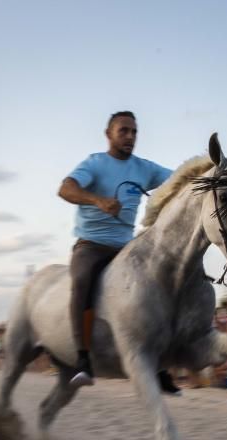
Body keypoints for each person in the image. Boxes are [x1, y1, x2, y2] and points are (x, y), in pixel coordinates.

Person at [57, 111, 173, 390]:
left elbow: (180, 178)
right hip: (91, 244)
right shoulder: (95, 164)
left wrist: (213, 170)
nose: (130, 137)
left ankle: (160, 363)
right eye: (123, 131)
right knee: (82, 280)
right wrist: (96, 200)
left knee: (166, 278)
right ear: (108, 134)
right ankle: (82, 359)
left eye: (134, 132)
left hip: (125, 247)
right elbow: (66, 189)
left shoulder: (144, 168)